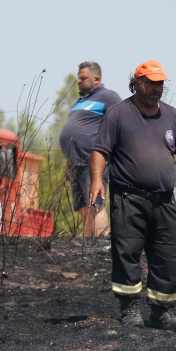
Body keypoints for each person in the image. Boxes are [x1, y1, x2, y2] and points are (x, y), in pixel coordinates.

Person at [88, 60, 176, 330]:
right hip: (129, 199)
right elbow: (100, 150)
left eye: (160, 84)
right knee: (128, 254)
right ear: (136, 83)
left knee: (169, 255)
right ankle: (131, 310)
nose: (156, 89)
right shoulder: (118, 114)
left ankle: (160, 313)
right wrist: (97, 180)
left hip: (164, 201)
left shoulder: (171, 116)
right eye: (150, 83)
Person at [58, 61, 121, 237]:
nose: (79, 81)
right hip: (76, 162)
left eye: (83, 78)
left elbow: (123, 120)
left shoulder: (108, 97)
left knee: (96, 206)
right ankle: (88, 244)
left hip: (93, 160)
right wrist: (68, 163)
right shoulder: (80, 101)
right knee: (83, 208)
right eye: (78, 78)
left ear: (96, 79)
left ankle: (99, 244)